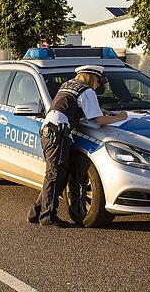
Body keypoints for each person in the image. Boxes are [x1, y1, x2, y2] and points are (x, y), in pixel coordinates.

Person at [29, 64, 126, 227]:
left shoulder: (68, 85)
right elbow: (99, 120)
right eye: (98, 81)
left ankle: (36, 212)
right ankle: (47, 217)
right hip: (58, 134)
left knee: (56, 175)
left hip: (49, 132)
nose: (98, 85)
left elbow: (76, 107)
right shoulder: (87, 91)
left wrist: (102, 113)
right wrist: (121, 116)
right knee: (55, 175)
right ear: (92, 77)